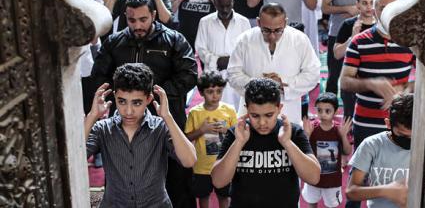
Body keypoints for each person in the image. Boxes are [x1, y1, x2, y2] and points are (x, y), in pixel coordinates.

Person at [91, 0, 198, 208]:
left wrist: (153, 95)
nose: (138, 25)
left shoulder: (174, 39)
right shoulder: (115, 42)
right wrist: (125, 99)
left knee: (177, 177)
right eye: (132, 20)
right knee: (123, 175)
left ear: (154, 15)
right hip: (125, 119)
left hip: (165, 117)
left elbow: (189, 74)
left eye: (143, 19)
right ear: (126, 17)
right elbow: (99, 76)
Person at [84, 63, 196, 207]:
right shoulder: (102, 129)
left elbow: (190, 160)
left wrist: (168, 117)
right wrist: (92, 117)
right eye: (122, 101)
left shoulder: (160, 127)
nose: (128, 111)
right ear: (115, 97)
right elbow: (73, 160)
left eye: (136, 103)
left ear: (148, 99)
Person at [210, 78, 321, 208]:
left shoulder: (293, 132)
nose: (262, 123)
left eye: (269, 115)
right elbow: (218, 181)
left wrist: (287, 143)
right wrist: (239, 143)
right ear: (247, 110)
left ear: (279, 108)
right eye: (255, 116)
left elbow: (314, 177)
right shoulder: (236, 133)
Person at [340, 0, 414, 149]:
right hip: (366, 121)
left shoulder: (409, 41)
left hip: (400, 124)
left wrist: (406, 88)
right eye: (382, 7)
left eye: (392, 6)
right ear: (374, 11)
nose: (387, 11)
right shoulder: (359, 41)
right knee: (363, 171)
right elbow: (345, 82)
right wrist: (371, 84)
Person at [227, 3, 320, 125]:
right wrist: (258, 85)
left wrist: (283, 83)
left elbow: (313, 74)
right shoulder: (244, 40)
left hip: (288, 113)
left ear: (285, 23)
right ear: (259, 22)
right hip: (252, 114)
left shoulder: (300, 40)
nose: (272, 36)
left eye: (278, 30)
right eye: (266, 30)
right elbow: (233, 74)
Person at [346, 93, 413, 208]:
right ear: (388, 124)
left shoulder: (424, 146)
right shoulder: (372, 145)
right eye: (402, 135)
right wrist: (386, 191)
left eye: (413, 136)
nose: (409, 140)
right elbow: (351, 192)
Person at [322, 0, 373, 95]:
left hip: (361, 33)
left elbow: (373, 7)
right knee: (334, 74)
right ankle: (329, 107)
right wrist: (346, 9)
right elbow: (324, 8)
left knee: (358, 74)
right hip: (337, 31)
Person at [185, 71, 238, 208]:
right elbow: (186, 138)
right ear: (201, 93)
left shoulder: (229, 110)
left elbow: (238, 134)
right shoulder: (195, 113)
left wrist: (227, 130)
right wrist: (202, 130)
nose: (215, 96)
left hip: (223, 164)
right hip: (202, 167)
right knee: (203, 198)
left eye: (219, 91)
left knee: (224, 198)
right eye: (210, 91)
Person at [195, 0, 250, 109]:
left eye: (228, 5)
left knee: (238, 113)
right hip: (213, 77)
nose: (225, 10)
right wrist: (217, 60)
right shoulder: (205, 22)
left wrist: (232, 61)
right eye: (221, 5)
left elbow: (249, 50)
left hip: (237, 76)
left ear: (233, 2)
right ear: (214, 3)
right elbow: (200, 49)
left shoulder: (244, 22)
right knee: (214, 115)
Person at [302, 92, 353, 208]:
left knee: (332, 205)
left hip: (332, 179)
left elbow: (347, 151)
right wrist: (307, 136)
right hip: (313, 176)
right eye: (319, 110)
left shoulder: (339, 129)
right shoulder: (312, 128)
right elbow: (304, 152)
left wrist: (344, 136)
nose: (323, 114)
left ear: (336, 112)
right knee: (311, 202)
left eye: (327, 111)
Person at [334, 0, 376, 118]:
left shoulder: (381, 26)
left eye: (372, 3)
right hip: (351, 81)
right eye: (364, 3)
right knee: (349, 118)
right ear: (357, 4)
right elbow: (337, 54)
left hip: (373, 80)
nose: (369, 7)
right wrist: (352, 38)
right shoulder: (348, 24)